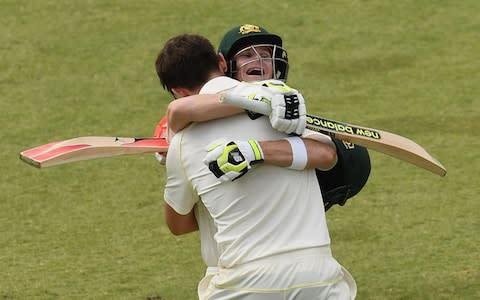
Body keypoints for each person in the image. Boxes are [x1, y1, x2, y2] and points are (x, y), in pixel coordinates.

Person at [155, 33, 356, 299]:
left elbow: (177, 225)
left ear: (177, 92)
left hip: (242, 284)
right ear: (222, 62)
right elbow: (328, 154)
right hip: (319, 277)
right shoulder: (284, 106)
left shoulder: (181, 145)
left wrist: (208, 184)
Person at [157, 24, 371, 211]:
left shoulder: (283, 100)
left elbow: (329, 155)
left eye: (266, 54)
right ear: (224, 65)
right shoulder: (270, 98)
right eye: (247, 55)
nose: (259, 60)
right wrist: (259, 99)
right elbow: (178, 111)